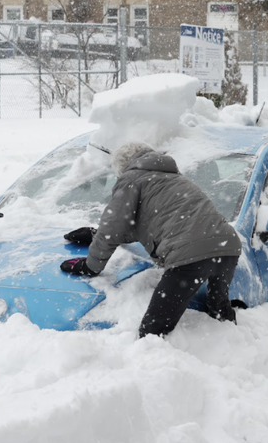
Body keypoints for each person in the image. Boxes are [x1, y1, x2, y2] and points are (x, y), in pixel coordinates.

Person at [60, 142, 242, 337]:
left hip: (189, 256)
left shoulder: (131, 178)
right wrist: (97, 235)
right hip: (227, 248)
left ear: (123, 167)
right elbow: (150, 225)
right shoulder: (175, 178)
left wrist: (91, 266)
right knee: (219, 311)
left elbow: (113, 226)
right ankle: (236, 347)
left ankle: (154, 362)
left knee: (154, 330)